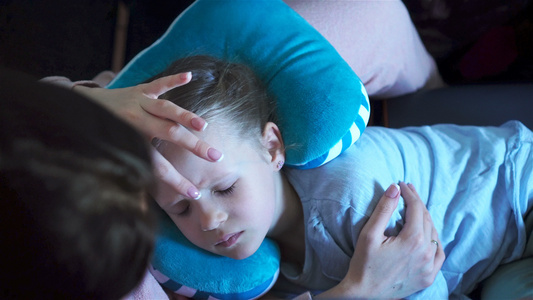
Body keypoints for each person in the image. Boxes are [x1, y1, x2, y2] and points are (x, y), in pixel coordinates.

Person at [150, 55, 533, 298]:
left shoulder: (348, 199)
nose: (209, 219)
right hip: (499, 260)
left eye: (226, 188)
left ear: (271, 149)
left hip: (520, 191)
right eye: (181, 208)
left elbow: (420, 280)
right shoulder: (253, 267)